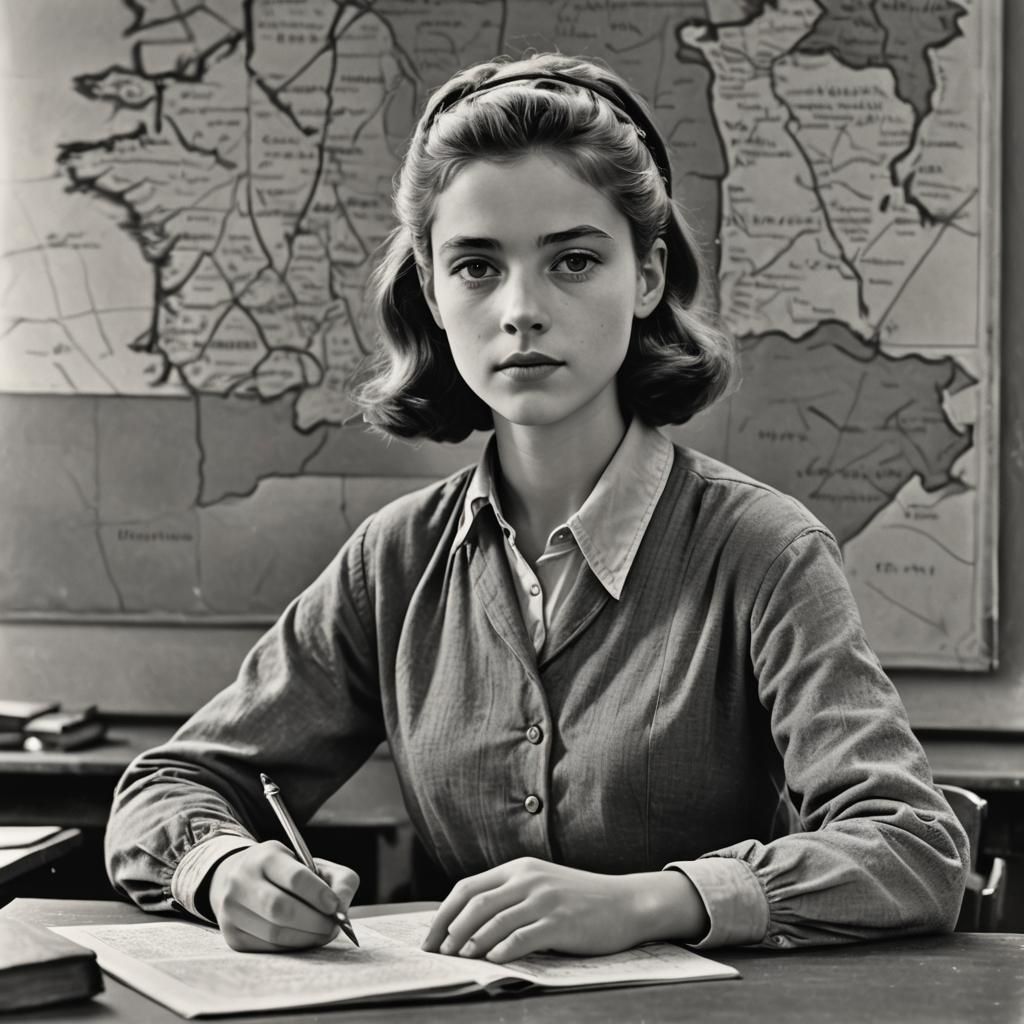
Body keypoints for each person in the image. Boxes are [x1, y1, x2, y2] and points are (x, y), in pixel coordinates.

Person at [105, 52, 968, 960]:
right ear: (433, 293)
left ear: (645, 276)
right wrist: (226, 869)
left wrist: (647, 902)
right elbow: (171, 785)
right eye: (476, 267)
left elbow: (911, 846)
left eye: (574, 261)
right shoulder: (394, 559)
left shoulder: (764, 551)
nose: (521, 310)